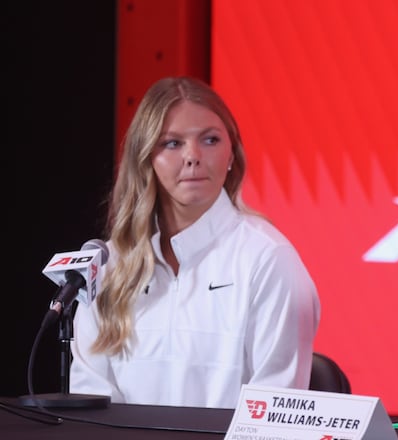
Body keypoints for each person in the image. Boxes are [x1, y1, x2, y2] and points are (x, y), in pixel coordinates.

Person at [70, 76, 321, 409]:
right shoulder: (107, 266)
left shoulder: (268, 259)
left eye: (210, 140)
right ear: (146, 159)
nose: (193, 156)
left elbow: (274, 412)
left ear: (232, 154)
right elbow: (91, 408)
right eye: (172, 143)